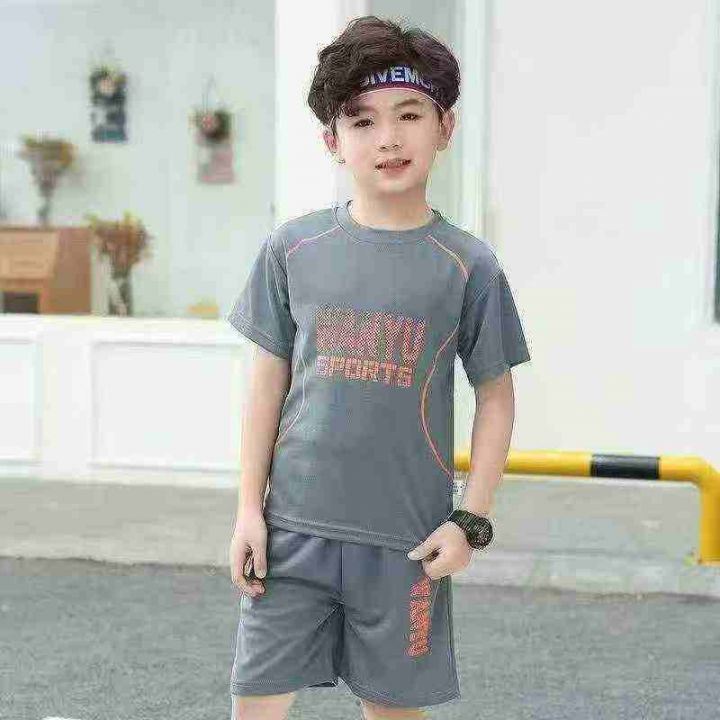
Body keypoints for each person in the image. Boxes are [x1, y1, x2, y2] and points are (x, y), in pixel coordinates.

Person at [226, 15, 531, 720]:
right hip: (290, 532)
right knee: (255, 707)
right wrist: (247, 510)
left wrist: (471, 520)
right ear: (333, 141)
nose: (388, 138)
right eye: (362, 121)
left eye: (409, 115)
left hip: (406, 543)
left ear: (444, 127)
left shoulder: (469, 266)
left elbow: (496, 397)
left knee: (393, 712)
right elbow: (267, 383)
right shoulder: (293, 249)